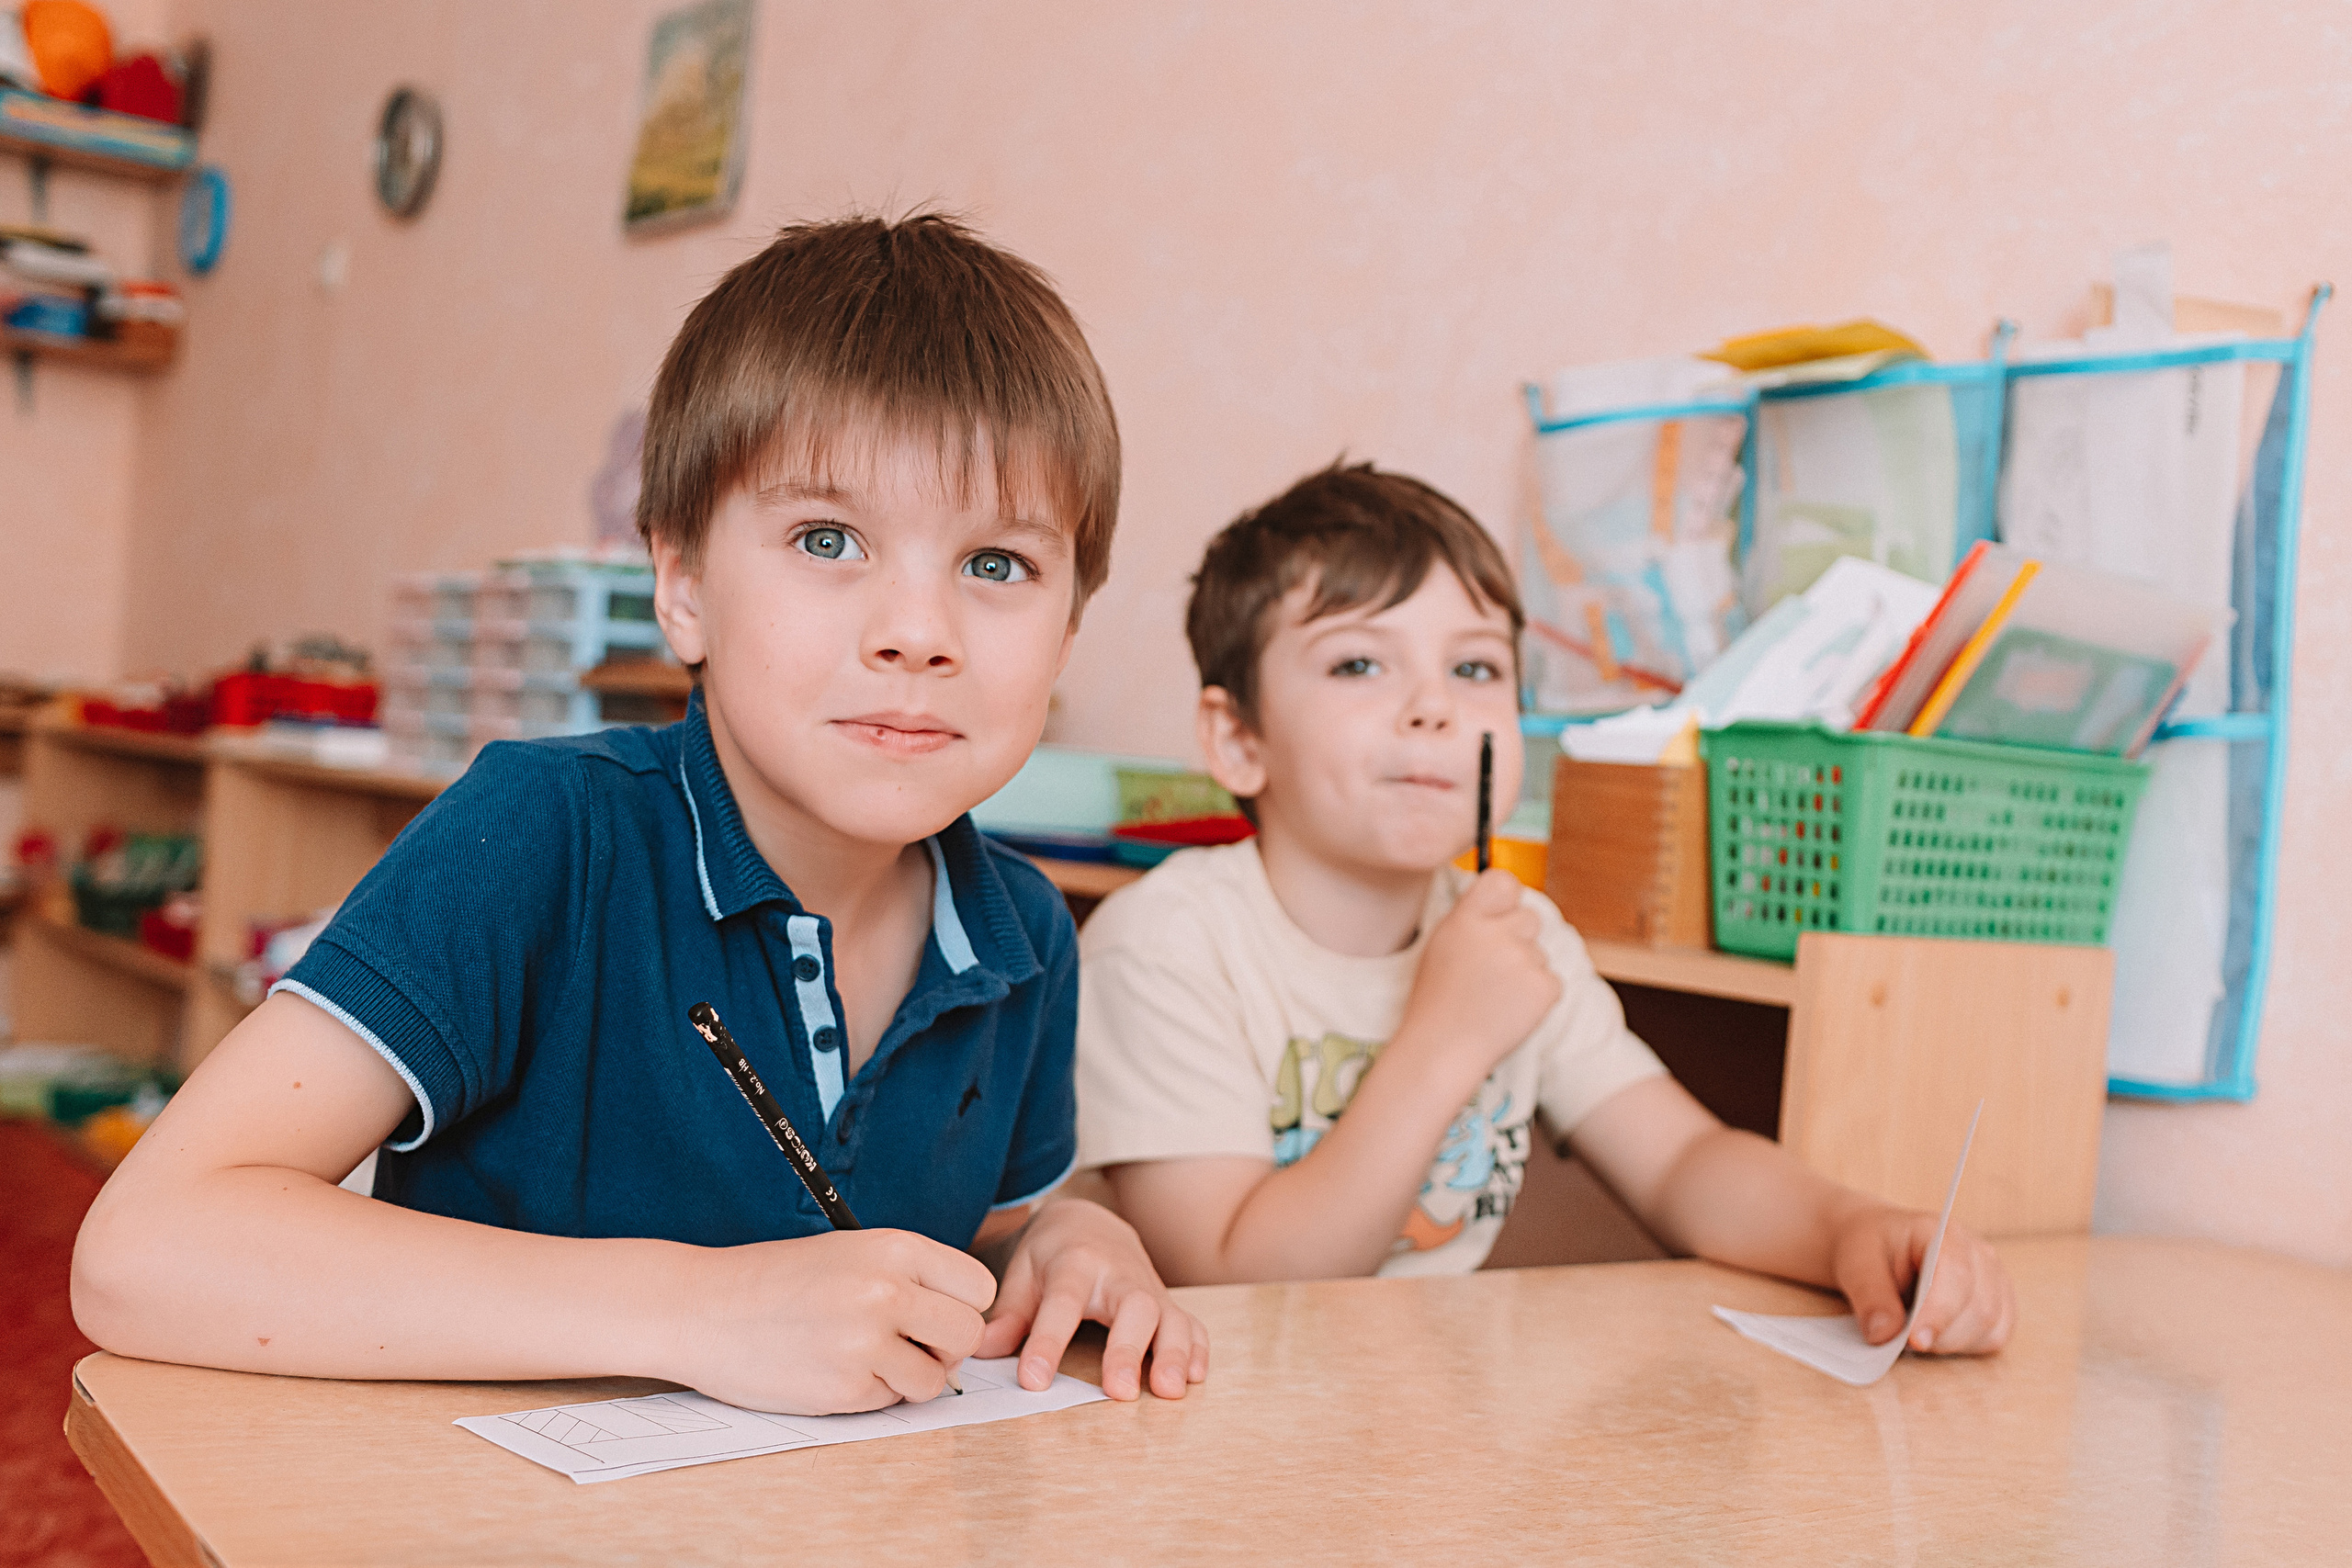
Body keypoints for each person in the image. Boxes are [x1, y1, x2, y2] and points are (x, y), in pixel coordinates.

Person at [74, 214, 1207, 1414]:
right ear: (681, 586)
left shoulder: (1023, 930)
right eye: (828, 539)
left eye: (996, 564)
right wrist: (704, 1308)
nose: (918, 632)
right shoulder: (543, 834)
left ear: (1067, 630)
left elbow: (981, 1229)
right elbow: (145, 1247)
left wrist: (1069, 1236)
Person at [1075, 461, 2014, 1356]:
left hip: (1413, 1421)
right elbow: (1234, 1281)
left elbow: (1681, 1164)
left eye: (1476, 669)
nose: (1434, 707)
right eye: (1359, 664)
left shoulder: (1519, 936)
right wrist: (1445, 1037)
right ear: (1237, 739)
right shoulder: (1165, 946)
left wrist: (1851, 1227)